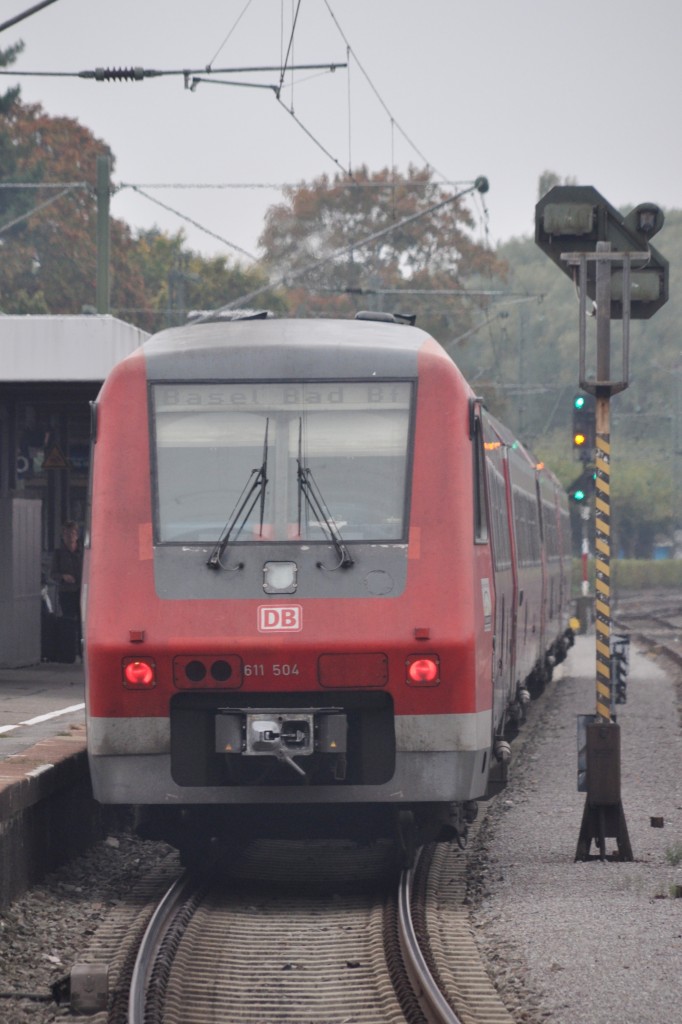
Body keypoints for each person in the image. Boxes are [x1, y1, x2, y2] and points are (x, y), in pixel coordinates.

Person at [51, 521, 83, 657]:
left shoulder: (83, 552)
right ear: (62, 536)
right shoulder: (58, 554)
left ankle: (82, 652)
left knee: (83, 622)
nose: (69, 536)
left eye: (72, 533)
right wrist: (63, 577)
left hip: (82, 592)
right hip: (67, 592)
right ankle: (69, 652)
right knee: (68, 621)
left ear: (77, 536)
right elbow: (53, 574)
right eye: (66, 534)